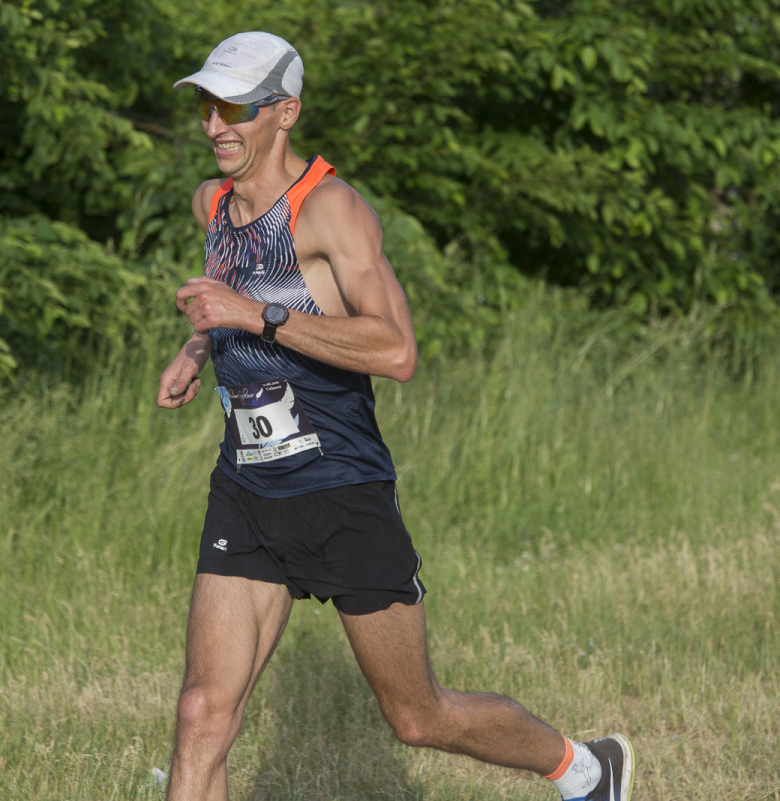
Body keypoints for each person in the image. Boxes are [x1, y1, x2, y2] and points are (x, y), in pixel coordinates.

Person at [155, 31, 634, 801]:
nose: (216, 124)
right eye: (208, 105)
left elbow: (397, 350)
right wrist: (199, 346)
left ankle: (586, 767)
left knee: (417, 715)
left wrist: (253, 316)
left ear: (286, 112)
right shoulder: (212, 202)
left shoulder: (332, 212)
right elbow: (234, 294)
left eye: (236, 106)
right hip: (246, 488)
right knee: (202, 712)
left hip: (341, 490)